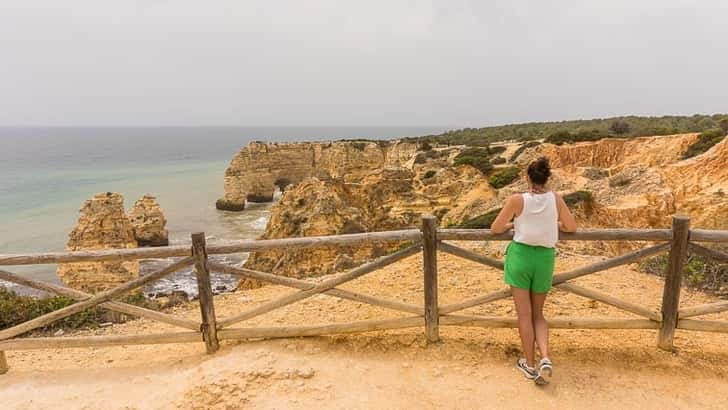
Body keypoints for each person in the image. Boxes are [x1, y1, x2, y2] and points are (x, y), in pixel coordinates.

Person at [490, 156, 577, 385]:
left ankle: (529, 365)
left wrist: (513, 224)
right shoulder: (556, 199)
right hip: (545, 259)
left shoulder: (517, 200)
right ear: (547, 178)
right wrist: (552, 224)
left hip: (521, 257)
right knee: (538, 314)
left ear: (527, 177)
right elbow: (572, 227)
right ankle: (545, 357)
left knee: (524, 316)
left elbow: (496, 228)